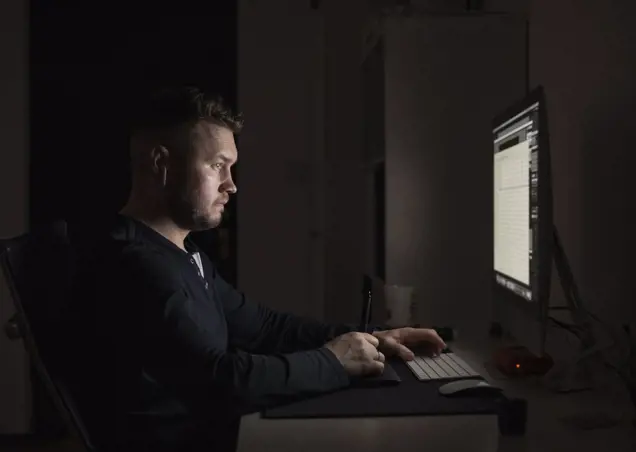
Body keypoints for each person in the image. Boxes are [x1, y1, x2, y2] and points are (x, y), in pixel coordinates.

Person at [63, 86, 446, 452]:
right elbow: (223, 380)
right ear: (161, 163)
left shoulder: (181, 253)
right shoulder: (135, 265)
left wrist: (368, 336)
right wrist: (333, 361)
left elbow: (262, 326)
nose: (231, 186)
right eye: (218, 166)